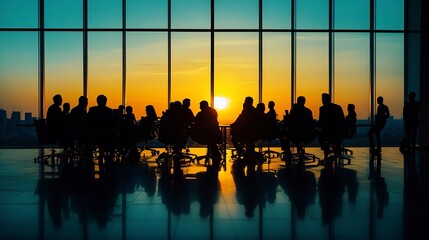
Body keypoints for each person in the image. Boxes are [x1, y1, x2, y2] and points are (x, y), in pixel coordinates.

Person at [192, 100, 222, 178]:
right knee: (212, 141)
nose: (199, 107)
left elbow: (196, 123)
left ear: (203, 106)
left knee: (188, 132)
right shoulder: (213, 112)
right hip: (214, 135)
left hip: (204, 136)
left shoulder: (200, 114)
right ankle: (216, 155)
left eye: (200, 106)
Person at [87, 95, 115, 165]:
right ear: (105, 102)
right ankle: (110, 155)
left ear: (97, 101)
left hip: (94, 135)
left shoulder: (92, 110)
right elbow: (112, 124)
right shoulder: (109, 111)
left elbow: (88, 122)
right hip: (106, 135)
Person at [318, 93, 345, 157]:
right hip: (338, 134)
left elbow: (321, 122)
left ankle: (325, 148)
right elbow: (342, 120)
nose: (322, 101)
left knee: (318, 132)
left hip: (327, 134)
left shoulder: (322, 109)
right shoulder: (338, 107)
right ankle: (336, 148)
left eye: (322, 100)